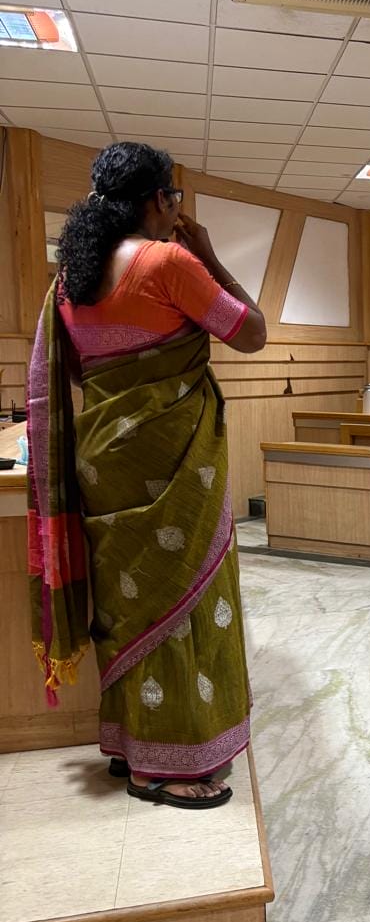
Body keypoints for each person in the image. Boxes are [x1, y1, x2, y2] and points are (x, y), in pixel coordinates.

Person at [29, 141, 267, 809]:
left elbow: (82, 375)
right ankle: (166, 765)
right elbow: (252, 332)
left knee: (128, 604)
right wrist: (209, 255)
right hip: (173, 462)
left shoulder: (71, 278)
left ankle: (128, 744)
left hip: (105, 462)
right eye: (174, 197)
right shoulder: (169, 262)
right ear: (160, 199)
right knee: (184, 601)